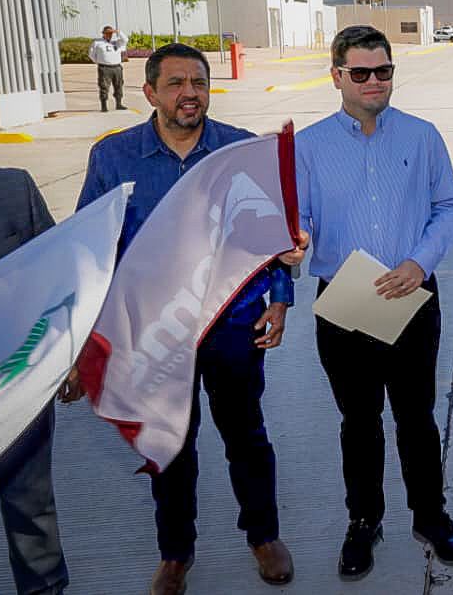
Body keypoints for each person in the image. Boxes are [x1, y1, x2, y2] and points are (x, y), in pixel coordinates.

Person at [76, 43, 303, 595]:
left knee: (246, 435)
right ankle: (175, 552)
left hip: (233, 322)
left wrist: (279, 299)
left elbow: (272, 232)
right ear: (150, 93)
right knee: (171, 441)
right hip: (154, 330)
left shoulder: (240, 151)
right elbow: (90, 246)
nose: (189, 94)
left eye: (199, 83)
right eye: (176, 83)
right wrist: (85, 333)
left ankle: (263, 536)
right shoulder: (114, 157)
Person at [295, 25, 453, 580]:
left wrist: (420, 262)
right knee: (359, 421)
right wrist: (296, 239)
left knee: (417, 417)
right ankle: (364, 520)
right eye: (361, 72)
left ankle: (430, 515)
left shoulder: (422, 137)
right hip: (345, 302)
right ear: (337, 77)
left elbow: (449, 206)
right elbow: (298, 219)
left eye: (384, 71)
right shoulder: (307, 147)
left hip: (412, 294)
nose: (374, 81)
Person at [0, 167, 69, 595]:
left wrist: (67, 356)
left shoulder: (13, 188)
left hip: (16, 382)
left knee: (31, 509)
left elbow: (60, 275)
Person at [88, 25, 127, 112]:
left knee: (119, 86)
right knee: (104, 86)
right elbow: (91, 55)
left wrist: (118, 32)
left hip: (117, 67)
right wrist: (99, 62)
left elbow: (125, 40)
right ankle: (104, 106)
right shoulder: (97, 43)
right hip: (105, 68)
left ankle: (119, 104)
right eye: (107, 33)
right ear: (103, 34)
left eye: (111, 33)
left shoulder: (117, 42)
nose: (109, 35)